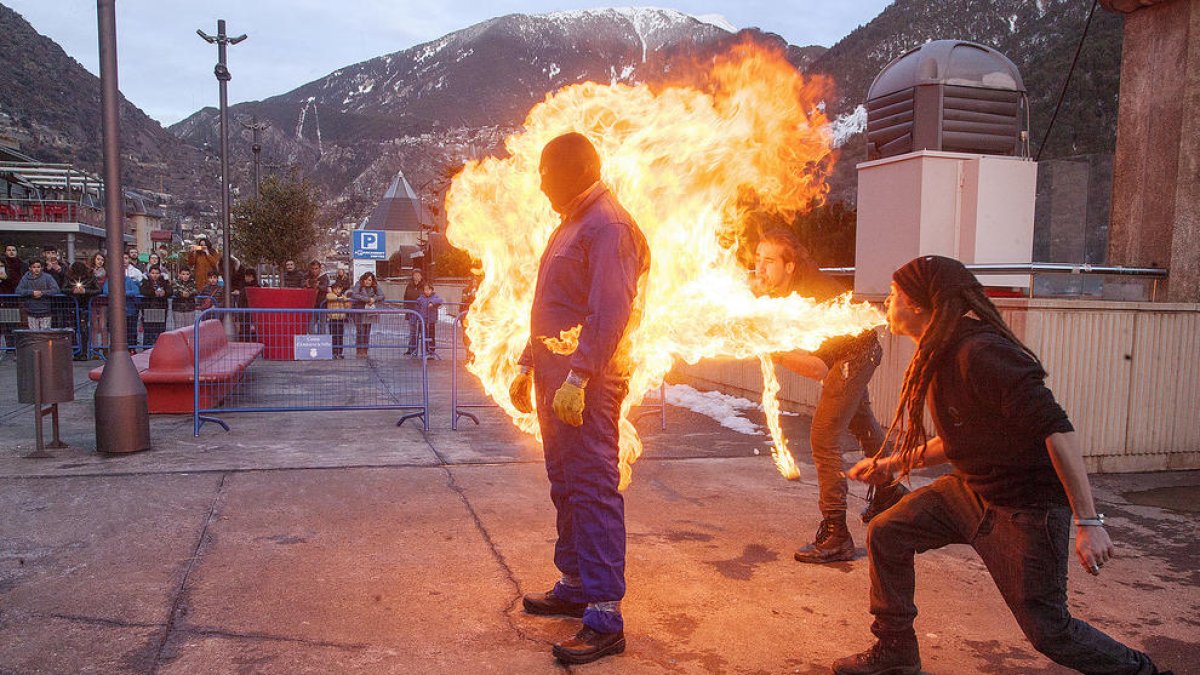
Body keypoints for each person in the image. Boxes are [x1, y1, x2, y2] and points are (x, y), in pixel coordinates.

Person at [832, 255, 1172, 675]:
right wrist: (893, 464)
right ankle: (896, 651)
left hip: (1025, 509)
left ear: (919, 305)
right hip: (971, 492)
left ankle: (1143, 671)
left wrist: (1089, 521)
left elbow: (1058, 431)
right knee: (888, 531)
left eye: (894, 294)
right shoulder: (939, 349)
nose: (886, 301)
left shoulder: (981, 353)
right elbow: (958, 438)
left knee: (1050, 631)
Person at [507, 132, 650, 665]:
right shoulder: (570, 223)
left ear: (573, 170)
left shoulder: (609, 225)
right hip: (554, 377)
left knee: (592, 486)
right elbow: (549, 306)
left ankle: (605, 615)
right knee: (564, 483)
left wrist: (579, 377)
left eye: (546, 174)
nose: (540, 184)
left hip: (586, 384)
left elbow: (610, 311)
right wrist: (527, 363)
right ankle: (574, 583)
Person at [751, 228, 905, 564]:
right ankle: (891, 493)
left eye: (768, 261)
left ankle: (836, 534)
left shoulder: (811, 297)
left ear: (789, 266)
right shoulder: (780, 292)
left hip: (855, 356)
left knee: (823, 436)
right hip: (851, 354)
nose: (759, 268)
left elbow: (818, 369)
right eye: (757, 260)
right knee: (862, 423)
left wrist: (767, 347)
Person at [65, 261, 100, 359]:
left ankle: (84, 352)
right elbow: (63, 288)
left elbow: (98, 289)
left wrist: (85, 291)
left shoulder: (90, 276)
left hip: (85, 305)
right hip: (71, 306)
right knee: (73, 329)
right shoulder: (69, 277)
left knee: (84, 329)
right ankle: (76, 351)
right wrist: (73, 291)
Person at [16, 259, 62, 330]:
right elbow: (18, 290)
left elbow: (56, 290)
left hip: (46, 311)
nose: (36, 269)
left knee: (45, 335)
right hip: (31, 311)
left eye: (38, 267)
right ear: (30, 268)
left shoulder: (48, 277)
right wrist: (32, 293)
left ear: (42, 268)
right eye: (34, 267)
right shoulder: (25, 278)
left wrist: (42, 293)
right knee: (33, 336)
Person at [348, 271, 383, 358]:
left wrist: (374, 299)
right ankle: (359, 350)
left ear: (372, 281)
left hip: (369, 312)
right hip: (358, 310)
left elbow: (382, 295)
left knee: (367, 331)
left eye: (370, 280)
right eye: (366, 280)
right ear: (363, 280)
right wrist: (367, 299)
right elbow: (354, 295)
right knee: (360, 331)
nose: (367, 282)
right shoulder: (358, 284)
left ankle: (365, 350)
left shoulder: (375, 286)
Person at [138, 266, 172, 347]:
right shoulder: (145, 281)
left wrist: (165, 293)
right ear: (149, 273)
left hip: (161, 309)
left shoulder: (164, 281)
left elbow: (170, 291)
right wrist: (154, 293)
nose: (155, 275)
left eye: (157, 273)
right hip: (149, 309)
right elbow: (143, 290)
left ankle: (159, 348)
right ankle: (147, 349)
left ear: (160, 274)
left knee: (159, 331)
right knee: (149, 331)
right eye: (153, 273)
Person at [415, 283, 443, 355]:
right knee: (424, 336)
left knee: (431, 336)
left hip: (431, 321)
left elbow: (440, 300)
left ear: (432, 290)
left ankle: (431, 350)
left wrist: (432, 303)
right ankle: (424, 350)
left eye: (429, 290)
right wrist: (417, 318)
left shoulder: (434, 297)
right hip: (422, 320)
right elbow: (417, 307)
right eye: (425, 290)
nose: (427, 291)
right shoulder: (420, 298)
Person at [89, 252, 109, 353]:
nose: (100, 262)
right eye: (98, 259)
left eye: (102, 260)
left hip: (103, 301)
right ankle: (95, 348)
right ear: (94, 260)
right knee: (94, 325)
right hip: (92, 301)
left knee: (103, 325)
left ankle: (105, 347)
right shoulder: (90, 272)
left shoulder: (106, 273)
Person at [326, 280, 351, 359]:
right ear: (332, 289)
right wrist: (338, 298)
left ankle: (340, 352)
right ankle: (333, 352)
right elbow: (329, 297)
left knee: (340, 336)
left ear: (341, 289)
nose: (337, 290)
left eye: (339, 289)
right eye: (335, 289)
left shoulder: (343, 296)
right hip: (333, 319)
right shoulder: (330, 295)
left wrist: (346, 301)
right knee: (333, 336)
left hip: (341, 319)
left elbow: (348, 305)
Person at [403, 269, 426, 355]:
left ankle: (424, 350)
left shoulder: (424, 286)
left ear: (421, 276)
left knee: (422, 331)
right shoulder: (409, 285)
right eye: (415, 275)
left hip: (421, 312)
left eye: (418, 275)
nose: (416, 276)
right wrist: (406, 308)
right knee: (412, 331)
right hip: (412, 311)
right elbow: (405, 297)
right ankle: (411, 349)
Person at [306, 260, 331, 333]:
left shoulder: (324, 277)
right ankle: (314, 342)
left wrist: (318, 286)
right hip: (311, 305)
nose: (314, 271)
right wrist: (307, 284)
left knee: (322, 328)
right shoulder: (308, 276)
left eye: (316, 268)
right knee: (310, 328)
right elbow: (303, 283)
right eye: (313, 268)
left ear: (320, 268)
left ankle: (321, 343)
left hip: (322, 305)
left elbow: (325, 287)